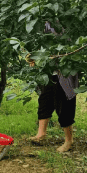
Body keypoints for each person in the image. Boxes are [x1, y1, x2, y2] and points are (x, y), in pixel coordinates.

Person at [28, 21, 78, 152]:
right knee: (45, 99)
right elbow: (40, 45)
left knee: (65, 102)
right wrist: (34, 57)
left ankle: (69, 141)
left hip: (65, 69)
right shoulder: (41, 22)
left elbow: (70, 45)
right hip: (49, 70)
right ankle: (41, 134)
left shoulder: (65, 21)